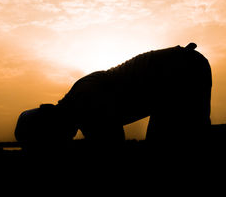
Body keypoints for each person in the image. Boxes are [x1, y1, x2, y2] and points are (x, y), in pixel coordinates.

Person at [15, 42, 212, 150]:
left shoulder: (84, 104)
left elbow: (112, 146)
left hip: (181, 71)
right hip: (185, 66)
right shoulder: (80, 97)